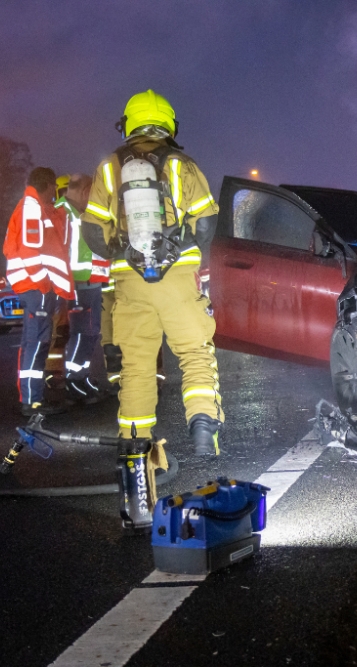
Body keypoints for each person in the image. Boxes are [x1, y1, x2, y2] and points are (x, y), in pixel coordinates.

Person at [81, 89, 224, 456]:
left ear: (128, 123)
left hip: (130, 284)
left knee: (137, 366)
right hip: (177, 278)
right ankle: (204, 426)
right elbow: (206, 221)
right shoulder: (181, 164)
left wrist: (125, 254)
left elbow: (94, 232)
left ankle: (135, 449)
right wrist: (182, 249)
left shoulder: (109, 167)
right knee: (194, 352)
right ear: (168, 124)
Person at [3, 167, 74, 416]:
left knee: (33, 342)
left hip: (34, 286)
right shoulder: (32, 207)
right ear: (47, 184)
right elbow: (31, 250)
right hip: (37, 287)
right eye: (54, 186)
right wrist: (44, 283)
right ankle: (32, 402)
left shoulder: (31, 206)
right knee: (37, 343)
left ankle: (31, 398)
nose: (55, 191)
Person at [56, 173, 110, 404]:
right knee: (81, 333)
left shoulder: (78, 212)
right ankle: (73, 380)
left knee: (90, 332)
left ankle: (82, 376)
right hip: (77, 282)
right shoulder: (62, 211)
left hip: (90, 280)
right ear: (86, 190)